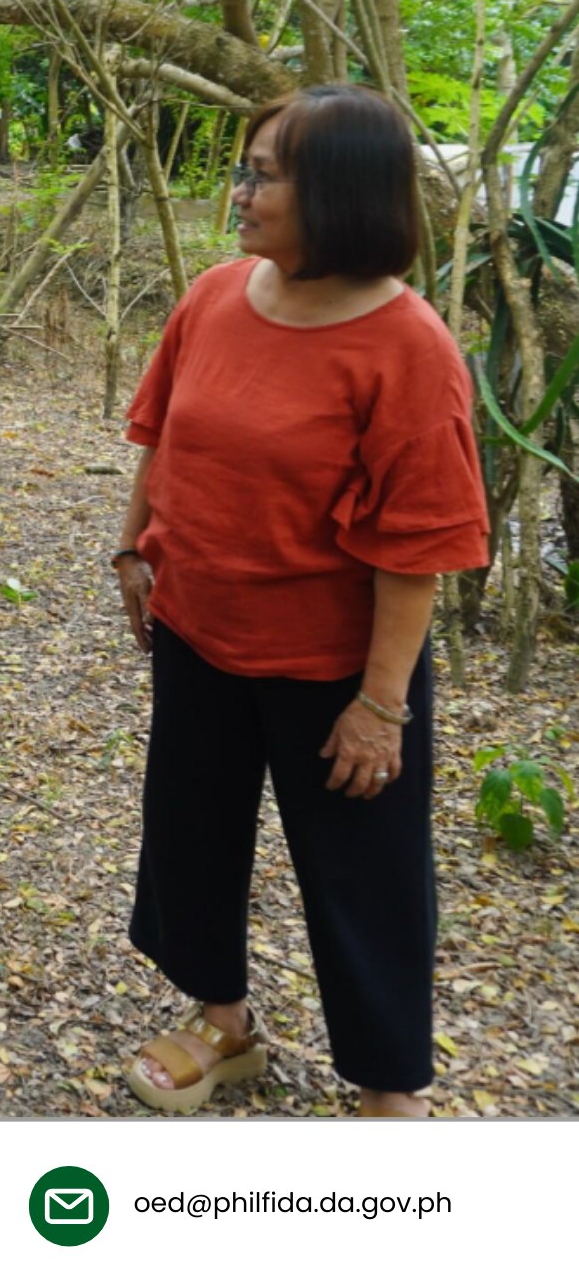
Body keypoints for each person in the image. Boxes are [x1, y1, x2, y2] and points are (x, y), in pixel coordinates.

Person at [111, 84, 488, 1118]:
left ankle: (387, 1086)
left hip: (332, 665)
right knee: (191, 832)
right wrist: (133, 550)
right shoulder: (218, 295)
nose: (241, 190)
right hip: (199, 630)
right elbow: (161, 432)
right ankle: (222, 1024)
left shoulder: (408, 348)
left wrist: (381, 703)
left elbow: (417, 547)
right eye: (246, 167)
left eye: (264, 172)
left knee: (365, 877)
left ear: (339, 191)